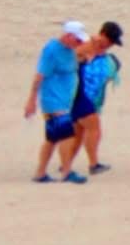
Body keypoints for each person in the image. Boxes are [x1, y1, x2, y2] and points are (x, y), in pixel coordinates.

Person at [24, 21, 90, 183]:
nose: (80, 44)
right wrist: (31, 100)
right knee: (67, 135)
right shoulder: (52, 50)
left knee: (52, 138)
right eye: (78, 40)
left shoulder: (70, 51)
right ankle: (67, 172)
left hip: (64, 101)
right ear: (68, 36)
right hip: (53, 101)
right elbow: (39, 76)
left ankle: (40, 173)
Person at [72, 21, 123, 176]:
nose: (110, 45)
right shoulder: (88, 45)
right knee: (94, 129)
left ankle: (66, 164)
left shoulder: (98, 49)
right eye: (110, 41)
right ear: (103, 34)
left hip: (82, 96)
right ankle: (93, 164)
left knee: (79, 132)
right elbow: (71, 60)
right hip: (79, 95)